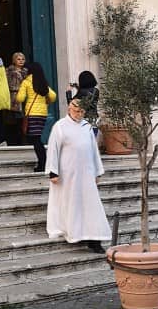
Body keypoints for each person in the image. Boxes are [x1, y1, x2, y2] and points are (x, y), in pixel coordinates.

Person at [46, 97, 111, 253]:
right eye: (76, 110)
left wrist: (97, 171)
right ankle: (74, 233)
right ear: (69, 108)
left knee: (91, 206)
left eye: (82, 111)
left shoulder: (87, 126)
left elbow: (94, 151)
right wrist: (53, 171)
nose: (79, 114)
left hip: (87, 174)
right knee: (71, 204)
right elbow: (53, 149)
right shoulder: (60, 126)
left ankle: (94, 240)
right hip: (67, 175)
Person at [16, 61, 56, 172]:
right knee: (36, 138)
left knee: (36, 140)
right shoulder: (43, 82)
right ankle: (43, 162)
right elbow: (53, 96)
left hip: (32, 114)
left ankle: (43, 164)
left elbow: (20, 98)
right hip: (42, 114)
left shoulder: (26, 82)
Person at [5, 51, 28, 146]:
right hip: (14, 98)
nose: (21, 61)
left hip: (25, 99)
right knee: (14, 121)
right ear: (14, 60)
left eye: (22, 59)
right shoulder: (9, 71)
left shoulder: (26, 71)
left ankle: (23, 140)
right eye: (18, 59)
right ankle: (13, 141)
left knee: (23, 121)